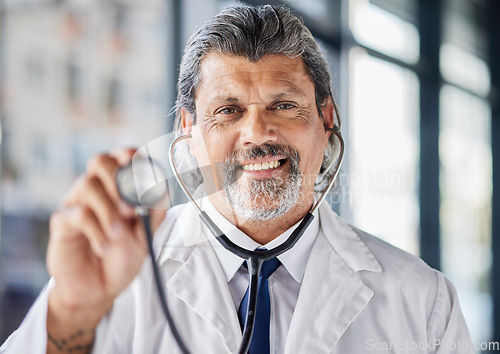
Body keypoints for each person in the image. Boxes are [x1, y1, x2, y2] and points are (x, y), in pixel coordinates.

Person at [1, 4, 474, 354]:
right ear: (188, 133)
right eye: (228, 111)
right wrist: (72, 315)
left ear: (326, 118)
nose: (257, 134)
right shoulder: (113, 278)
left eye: (283, 105)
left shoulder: (423, 300)